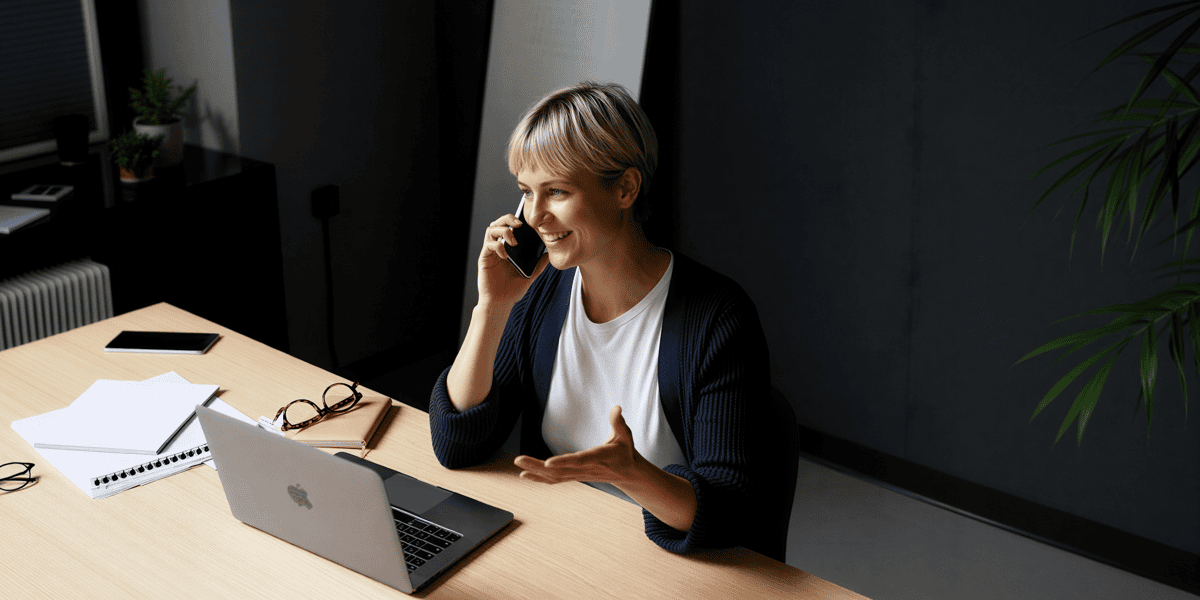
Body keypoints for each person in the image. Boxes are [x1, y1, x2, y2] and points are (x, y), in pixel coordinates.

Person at [428, 81, 775, 556]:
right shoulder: (540, 290)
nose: (535, 217)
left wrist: (631, 474)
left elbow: (732, 510)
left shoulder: (718, 317)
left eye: (557, 191)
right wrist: (492, 307)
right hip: (564, 543)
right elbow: (456, 444)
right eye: (527, 193)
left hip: (671, 564)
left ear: (626, 188)